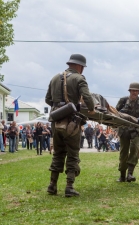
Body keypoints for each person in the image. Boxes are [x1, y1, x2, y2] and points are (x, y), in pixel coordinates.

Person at [45, 53, 95, 197]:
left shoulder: (55, 77)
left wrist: (59, 108)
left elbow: (48, 99)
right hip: (71, 121)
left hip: (56, 120)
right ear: (80, 66)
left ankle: (52, 185)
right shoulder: (79, 78)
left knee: (58, 153)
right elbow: (87, 98)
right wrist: (90, 109)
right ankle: (69, 186)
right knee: (73, 153)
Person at [115, 82, 139, 182]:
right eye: (133, 90)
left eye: (136, 91)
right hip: (124, 130)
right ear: (129, 91)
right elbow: (115, 113)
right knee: (124, 152)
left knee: (134, 149)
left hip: (136, 130)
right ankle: (122, 175)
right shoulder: (123, 101)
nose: (134, 92)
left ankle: (130, 174)